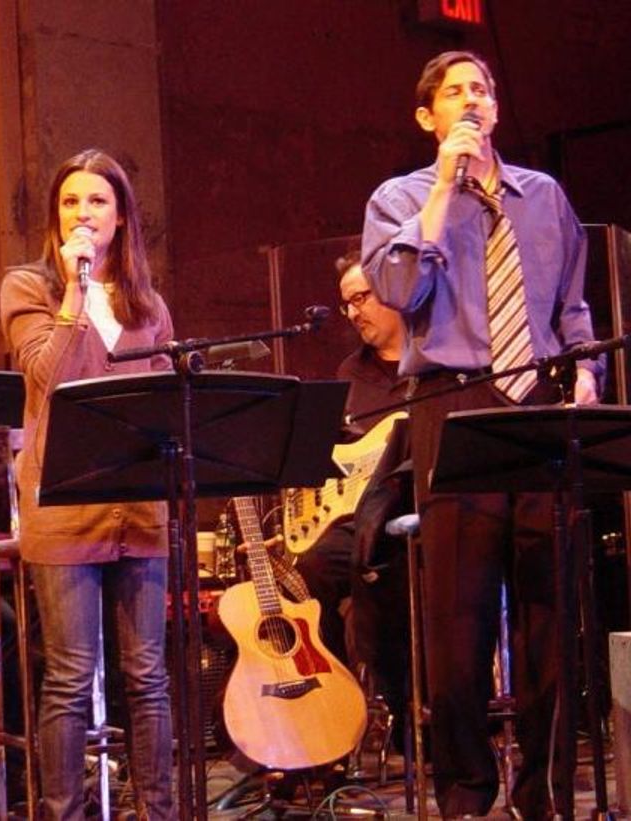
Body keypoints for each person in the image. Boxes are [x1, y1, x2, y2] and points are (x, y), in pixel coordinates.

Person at [362, 50, 600, 818]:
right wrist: (441, 188)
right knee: (457, 628)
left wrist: (586, 370)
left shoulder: (545, 196)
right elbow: (398, 291)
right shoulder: (398, 198)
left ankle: (547, 793)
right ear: (427, 117)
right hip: (454, 403)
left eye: (482, 88)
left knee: (551, 618)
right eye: (454, 92)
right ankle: (465, 792)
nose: (471, 100)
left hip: (541, 407)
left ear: (496, 107)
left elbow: (570, 303)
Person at [0, 149, 175, 819]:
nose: (82, 212)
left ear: (122, 216)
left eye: (97, 200)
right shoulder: (28, 286)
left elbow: (162, 395)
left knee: (148, 677)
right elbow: (46, 375)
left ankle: (158, 809)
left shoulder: (147, 303)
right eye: (70, 201)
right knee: (70, 678)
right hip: (64, 502)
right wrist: (75, 290)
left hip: (138, 501)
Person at [293, 250, 411, 732]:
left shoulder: (437, 364)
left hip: (412, 512)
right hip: (356, 515)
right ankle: (333, 709)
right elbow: (328, 456)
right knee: (310, 570)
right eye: (347, 304)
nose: (354, 311)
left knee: (378, 567)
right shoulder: (348, 373)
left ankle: (405, 705)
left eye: (362, 297)